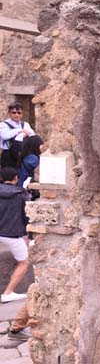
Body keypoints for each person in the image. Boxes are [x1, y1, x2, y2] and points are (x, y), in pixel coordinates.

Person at [0, 167, 30, 303]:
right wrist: (29, 235)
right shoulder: (21, 194)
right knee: (24, 262)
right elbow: (27, 215)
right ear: (16, 178)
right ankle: (8, 293)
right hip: (12, 234)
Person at [0, 104, 34, 168]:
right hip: (8, 154)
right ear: (9, 113)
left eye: (19, 113)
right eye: (14, 112)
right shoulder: (3, 125)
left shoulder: (25, 124)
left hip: (22, 153)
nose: (16, 115)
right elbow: (5, 135)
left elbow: (32, 135)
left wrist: (22, 135)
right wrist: (20, 130)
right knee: (9, 176)